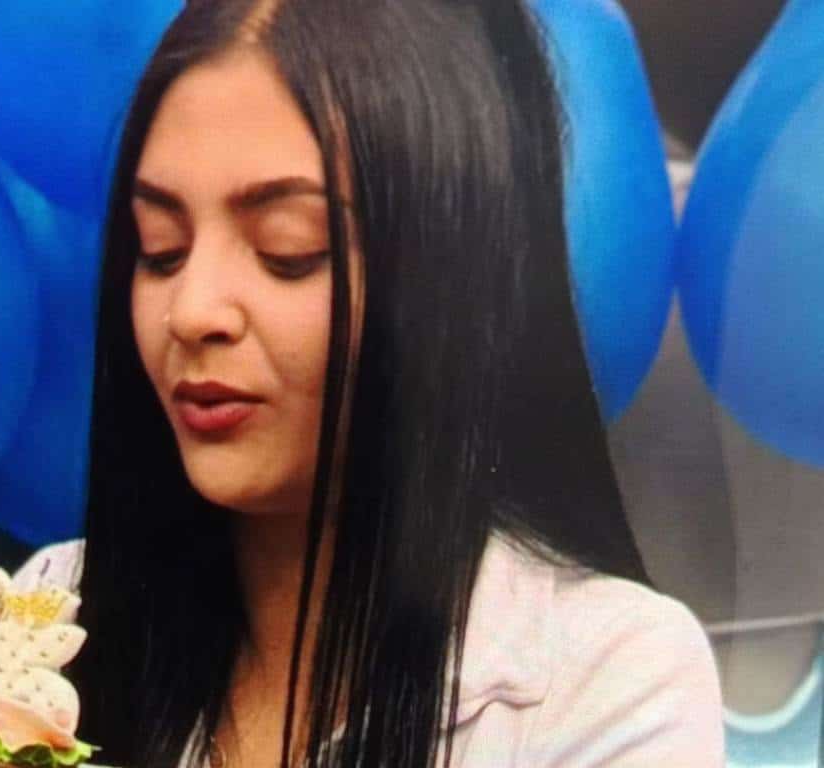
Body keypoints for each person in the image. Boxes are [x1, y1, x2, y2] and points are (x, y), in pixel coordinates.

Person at [73, 0, 725, 766]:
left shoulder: (603, 677)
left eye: (288, 251)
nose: (191, 311)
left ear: (447, 281)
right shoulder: (50, 616)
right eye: (161, 249)